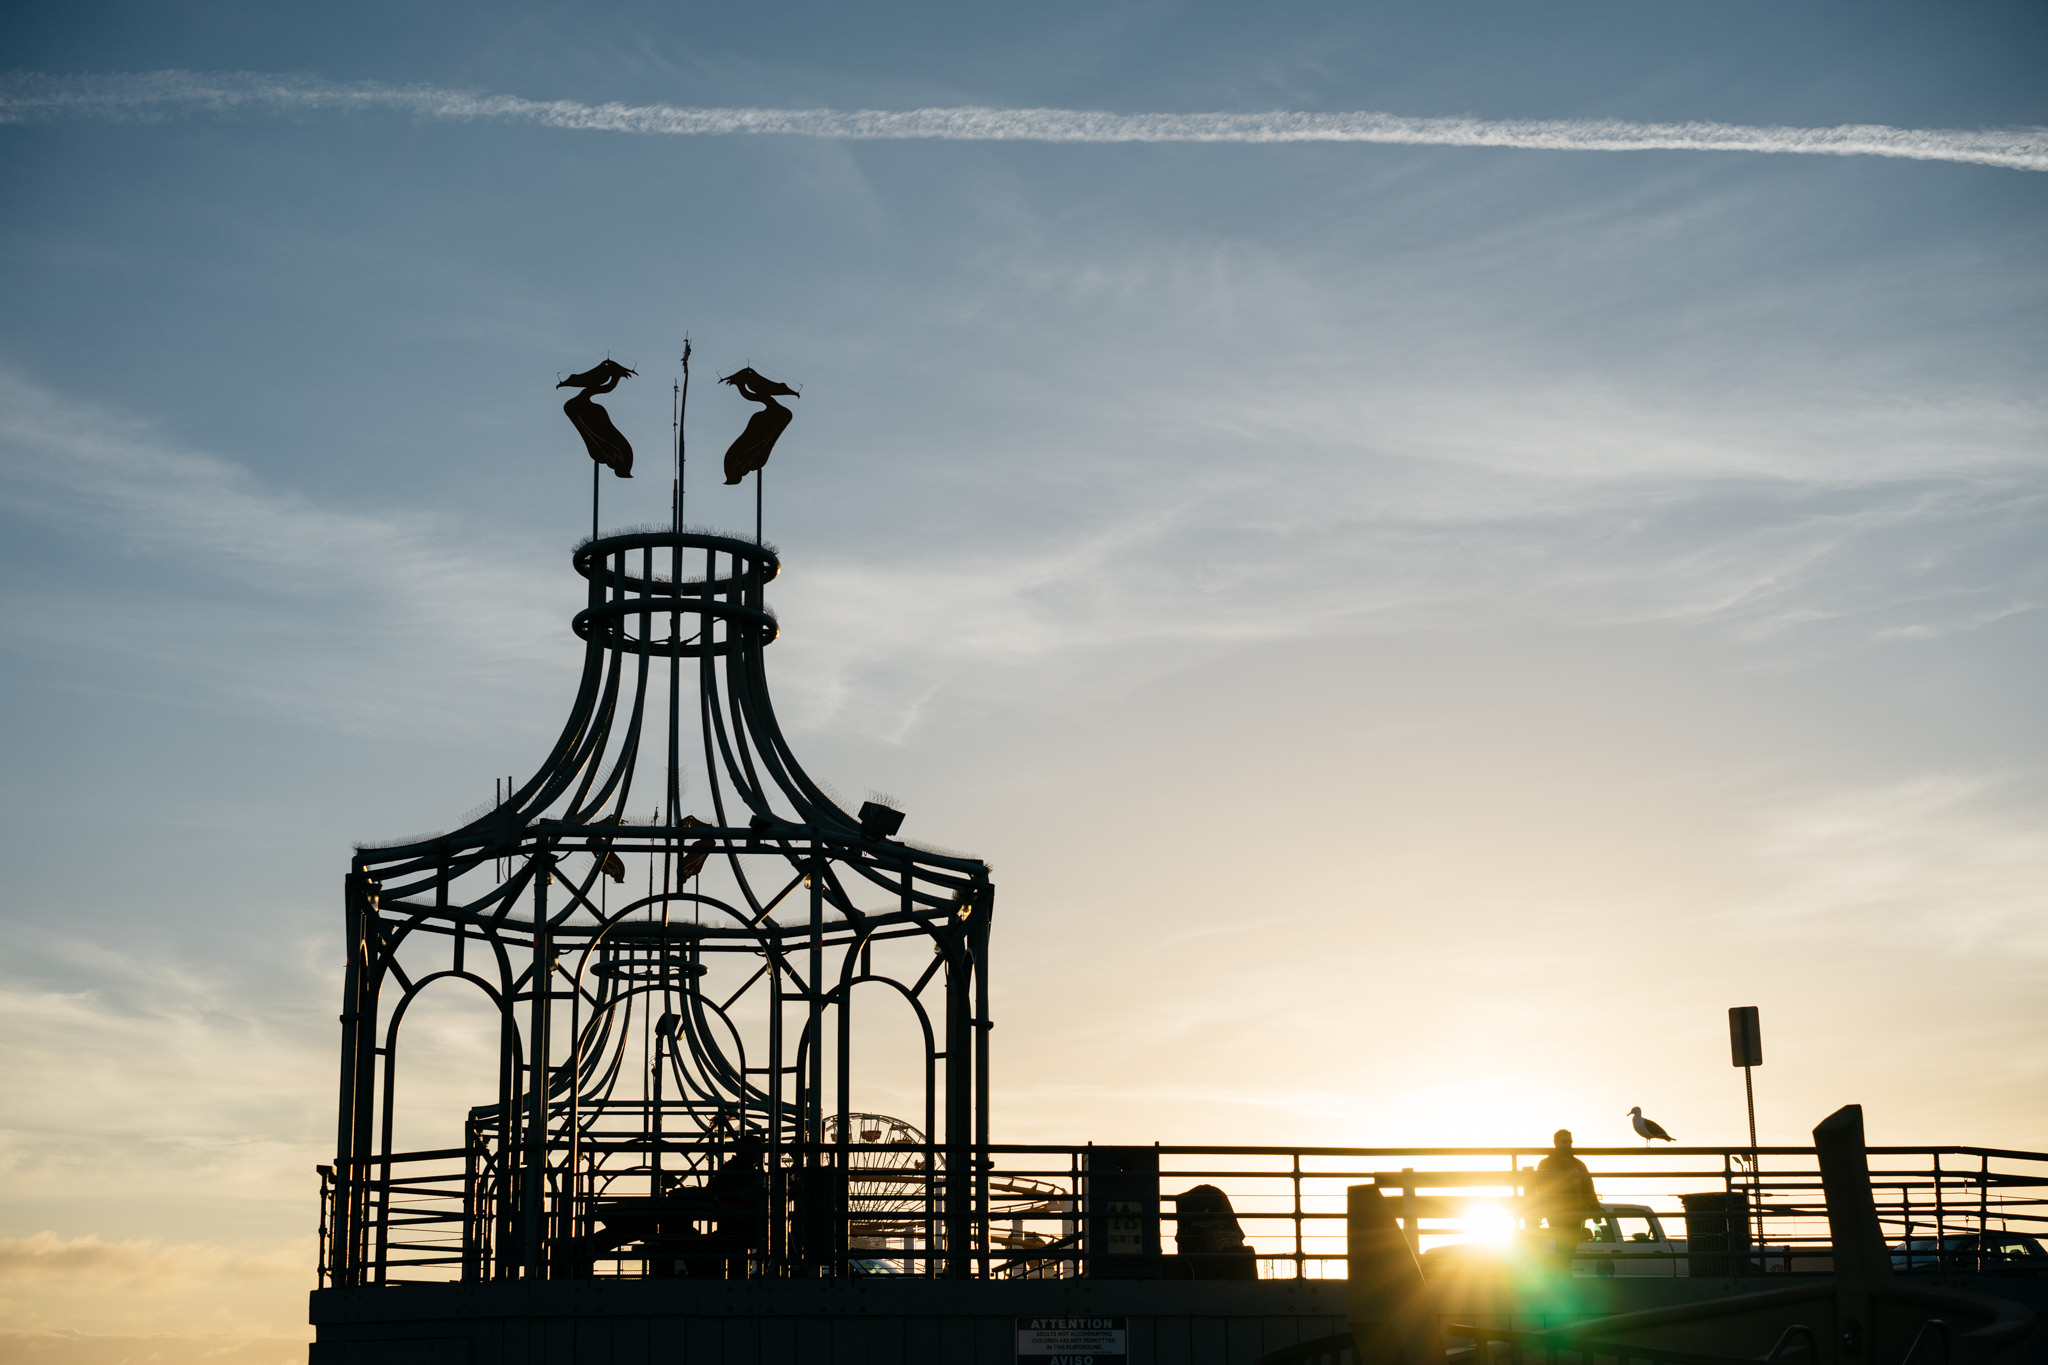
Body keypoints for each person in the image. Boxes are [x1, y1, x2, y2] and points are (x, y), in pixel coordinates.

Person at [1529, 1129, 1600, 1264]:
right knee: (1563, 1244)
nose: (1568, 1144)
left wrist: (1595, 1208)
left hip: (1577, 1211)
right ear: (1556, 1143)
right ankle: (1563, 1273)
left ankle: (1562, 1273)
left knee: (1571, 1246)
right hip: (1558, 1211)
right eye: (1564, 1142)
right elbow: (1541, 1187)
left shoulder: (1579, 1164)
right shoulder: (1546, 1163)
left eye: (1570, 1141)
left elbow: (1589, 1186)